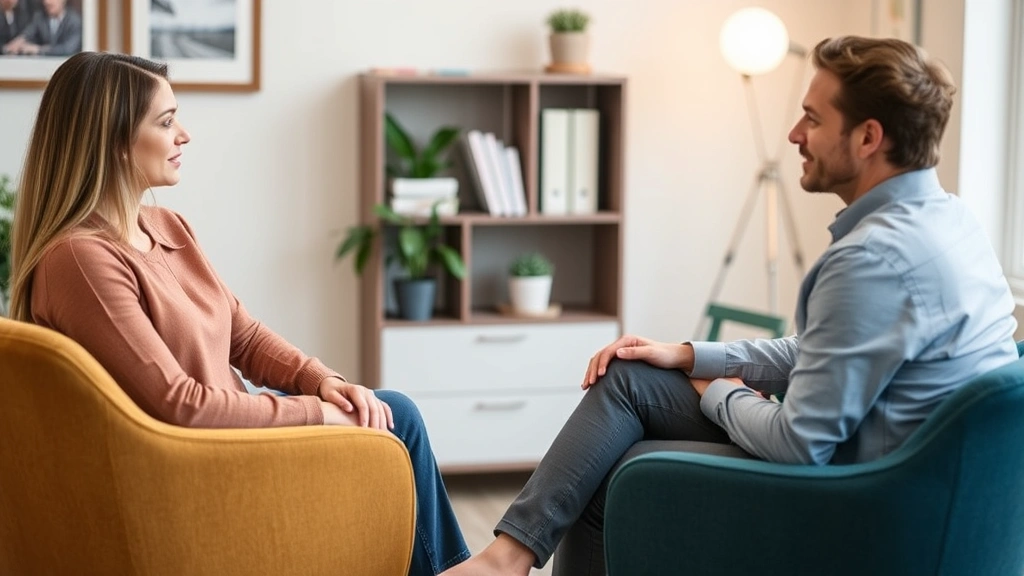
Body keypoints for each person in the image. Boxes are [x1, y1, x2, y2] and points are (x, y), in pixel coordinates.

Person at [442, 35, 1019, 576]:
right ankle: (506, 557)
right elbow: (819, 351)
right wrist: (693, 355)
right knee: (631, 375)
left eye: (813, 119)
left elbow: (801, 446)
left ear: (869, 138)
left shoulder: (874, 259)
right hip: (913, 476)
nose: (794, 134)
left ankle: (504, 562)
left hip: (866, 502)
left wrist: (719, 392)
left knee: (615, 472)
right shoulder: (948, 219)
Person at [8, 51, 469, 576]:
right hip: (203, 471)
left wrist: (321, 383)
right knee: (396, 417)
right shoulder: (81, 260)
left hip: (229, 441)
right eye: (165, 121)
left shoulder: (166, 225)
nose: (185, 134)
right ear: (112, 143)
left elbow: (243, 337)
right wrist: (316, 413)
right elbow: (178, 406)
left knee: (389, 411)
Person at [2, 0, 80, 56]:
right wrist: (13, 46)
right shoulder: (40, 17)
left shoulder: (74, 21)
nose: (47, 2)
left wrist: (39, 50)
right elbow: (28, 33)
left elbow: (68, 49)